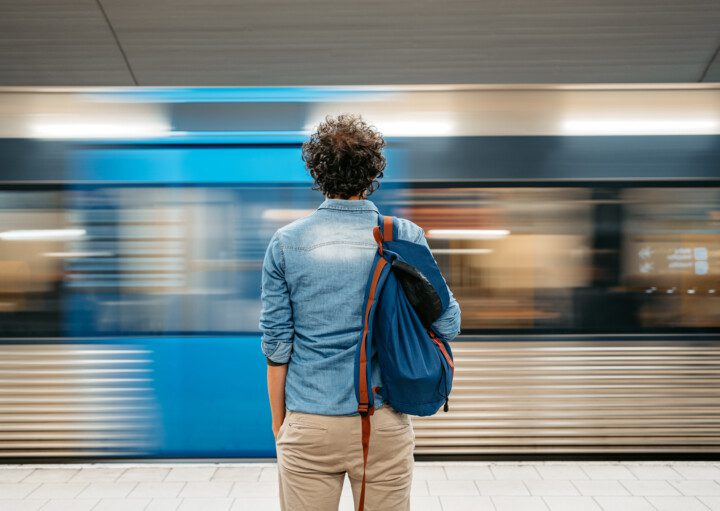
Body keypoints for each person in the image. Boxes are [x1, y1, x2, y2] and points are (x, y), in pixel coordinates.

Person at [259, 114, 461, 511]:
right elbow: (448, 324)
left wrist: (281, 424)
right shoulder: (403, 235)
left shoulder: (285, 243)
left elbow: (277, 346)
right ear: (373, 172)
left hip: (309, 422)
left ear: (318, 173)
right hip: (382, 422)